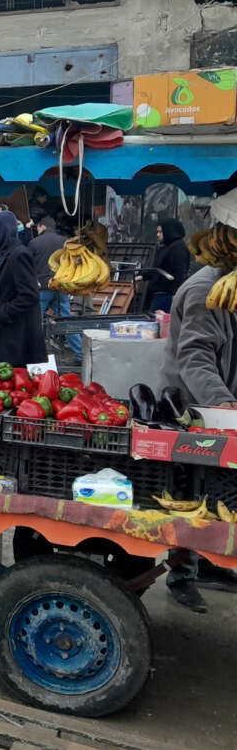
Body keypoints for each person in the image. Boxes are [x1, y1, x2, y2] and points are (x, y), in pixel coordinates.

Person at [161, 215, 237, 611]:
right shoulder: (205, 290)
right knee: (190, 494)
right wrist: (226, 406)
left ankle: (207, 562)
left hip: (219, 405)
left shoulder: (230, 285)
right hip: (192, 409)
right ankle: (181, 574)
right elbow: (195, 357)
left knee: (219, 492)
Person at [0, 210, 44, 367]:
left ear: (0, 231)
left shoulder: (18, 255)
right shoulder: (1, 254)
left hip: (12, 336)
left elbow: (29, 295)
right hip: (3, 332)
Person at [29, 217, 82, 363]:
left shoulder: (34, 243)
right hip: (61, 287)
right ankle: (80, 354)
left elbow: (28, 265)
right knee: (65, 320)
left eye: (38, 228)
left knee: (34, 322)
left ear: (42, 227)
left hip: (42, 287)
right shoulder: (65, 242)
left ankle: (34, 356)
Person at [141, 219, 191, 313]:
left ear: (169, 231)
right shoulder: (167, 246)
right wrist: (143, 276)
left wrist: (175, 297)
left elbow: (179, 274)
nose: (157, 235)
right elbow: (159, 268)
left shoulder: (178, 248)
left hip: (167, 296)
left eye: (160, 232)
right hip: (161, 294)